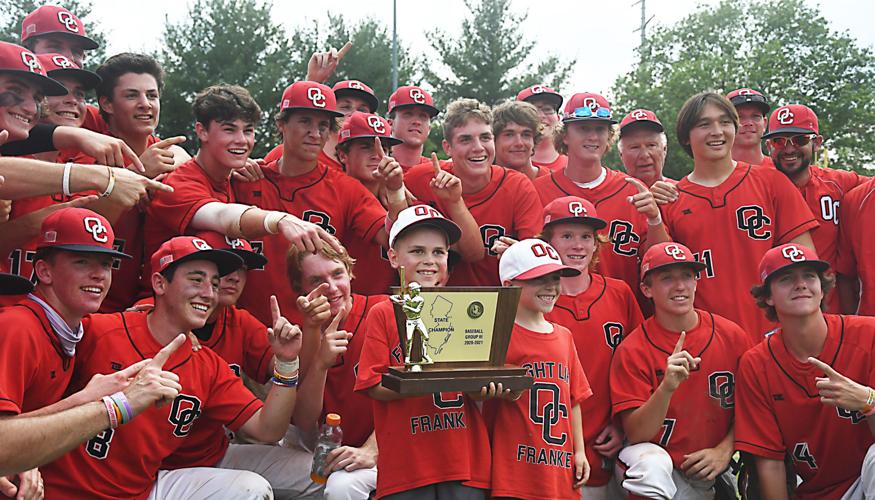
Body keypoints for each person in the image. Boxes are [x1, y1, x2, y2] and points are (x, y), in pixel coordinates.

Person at [40, 235, 303, 499]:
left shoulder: (208, 366)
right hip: (56, 489)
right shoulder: (99, 331)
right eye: (196, 280)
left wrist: (287, 363)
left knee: (250, 489)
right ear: (159, 283)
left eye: (213, 284)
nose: (208, 293)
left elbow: (268, 429)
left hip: (141, 492)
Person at [0, 208, 179, 489]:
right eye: (82, 262)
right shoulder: (18, 327)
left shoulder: (71, 328)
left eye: (106, 264)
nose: (99, 275)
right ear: (44, 271)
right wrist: (112, 405)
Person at [145, 84, 341, 297]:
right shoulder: (177, 183)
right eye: (229, 129)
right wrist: (279, 219)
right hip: (162, 308)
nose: (241, 140)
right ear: (201, 131)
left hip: (210, 311)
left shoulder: (237, 177)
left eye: (248, 130)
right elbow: (222, 216)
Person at [653, 92, 817, 343]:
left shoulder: (772, 182)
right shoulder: (671, 200)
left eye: (725, 122)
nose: (717, 131)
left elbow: (805, 264)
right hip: (706, 341)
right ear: (686, 136)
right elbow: (662, 280)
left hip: (774, 335)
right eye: (704, 124)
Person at [233, 80, 399, 325]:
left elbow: (394, 238)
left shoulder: (345, 188)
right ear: (282, 124)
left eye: (323, 125)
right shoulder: (245, 178)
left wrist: (396, 192)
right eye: (305, 121)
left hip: (317, 335)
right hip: (250, 331)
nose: (315, 133)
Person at [354, 205, 491, 499]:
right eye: (417, 251)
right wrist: (423, 378)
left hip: (465, 459)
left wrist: (491, 387)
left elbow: (476, 390)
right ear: (393, 256)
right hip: (408, 465)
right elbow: (372, 385)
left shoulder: (464, 309)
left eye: (438, 252)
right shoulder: (384, 312)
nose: (429, 261)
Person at [611, 242, 751, 499]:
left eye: (687, 276)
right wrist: (667, 388)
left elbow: (755, 409)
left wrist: (725, 450)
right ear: (646, 289)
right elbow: (637, 433)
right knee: (650, 467)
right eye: (667, 278)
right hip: (659, 465)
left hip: (712, 464)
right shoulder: (633, 349)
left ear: (697, 282)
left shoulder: (731, 336)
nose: (680, 286)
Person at [737, 243, 875, 499]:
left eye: (809, 276)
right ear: (767, 296)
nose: (800, 284)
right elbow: (770, 462)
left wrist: (869, 402)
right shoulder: (756, 364)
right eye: (787, 279)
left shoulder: (869, 335)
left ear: (822, 289)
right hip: (817, 492)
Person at [533, 92, 670, 307]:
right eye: (584, 128)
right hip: (555, 314)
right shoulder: (538, 191)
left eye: (600, 129)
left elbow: (662, 262)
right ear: (565, 135)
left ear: (609, 135)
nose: (593, 136)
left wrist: (655, 220)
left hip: (622, 314)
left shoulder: (632, 190)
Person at [487, 238, 591, 499]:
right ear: (509, 285)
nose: (551, 286)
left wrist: (579, 450)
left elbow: (573, 399)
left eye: (555, 277)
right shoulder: (497, 334)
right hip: (514, 468)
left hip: (559, 466)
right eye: (538, 279)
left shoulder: (564, 336)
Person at [403, 97, 540, 285]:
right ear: (447, 147)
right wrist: (393, 188)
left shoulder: (517, 186)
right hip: (436, 301)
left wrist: (520, 255)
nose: (478, 148)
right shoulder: (421, 178)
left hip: (500, 302)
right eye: (465, 139)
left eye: (485, 137)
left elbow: (536, 258)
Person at [289, 243, 389, 499]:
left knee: (342, 486)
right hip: (334, 452)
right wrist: (320, 361)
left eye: (337, 274)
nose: (332, 289)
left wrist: (373, 449)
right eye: (316, 280)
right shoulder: (299, 336)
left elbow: (415, 395)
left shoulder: (384, 311)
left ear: (350, 273)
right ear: (300, 289)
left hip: (388, 446)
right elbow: (303, 422)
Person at [763, 104, 865, 313]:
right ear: (768, 146)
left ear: (817, 143)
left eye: (800, 140)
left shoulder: (839, 183)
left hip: (832, 311)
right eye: (779, 141)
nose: (789, 149)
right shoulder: (755, 186)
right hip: (774, 314)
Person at [334, 111, 408, 295]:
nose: (377, 155)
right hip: (342, 304)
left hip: (387, 306)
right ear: (343, 155)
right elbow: (395, 239)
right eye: (367, 147)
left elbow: (404, 243)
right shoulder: (335, 191)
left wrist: (395, 190)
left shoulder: (401, 194)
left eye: (384, 147)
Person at [491, 100, 549, 180]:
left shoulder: (553, 181)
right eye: (509, 135)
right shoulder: (477, 185)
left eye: (526, 135)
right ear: (493, 140)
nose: (519, 143)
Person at [387, 85, 440, 170]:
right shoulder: (374, 168)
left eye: (423, 116)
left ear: (429, 128)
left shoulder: (439, 172)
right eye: (408, 115)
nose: (417, 122)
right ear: (390, 124)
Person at [516, 83, 566, 171]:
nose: (540, 116)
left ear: (558, 117)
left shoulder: (574, 161)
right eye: (532, 110)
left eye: (547, 109)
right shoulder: (505, 161)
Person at [617, 109, 672, 187]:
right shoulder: (610, 197)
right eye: (635, 147)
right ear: (621, 154)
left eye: (651, 145)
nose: (644, 155)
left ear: (664, 149)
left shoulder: (683, 194)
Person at [726, 88, 771, 167]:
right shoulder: (713, 174)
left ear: (765, 123)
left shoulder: (782, 171)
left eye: (755, 116)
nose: (749, 123)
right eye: (739, 117)